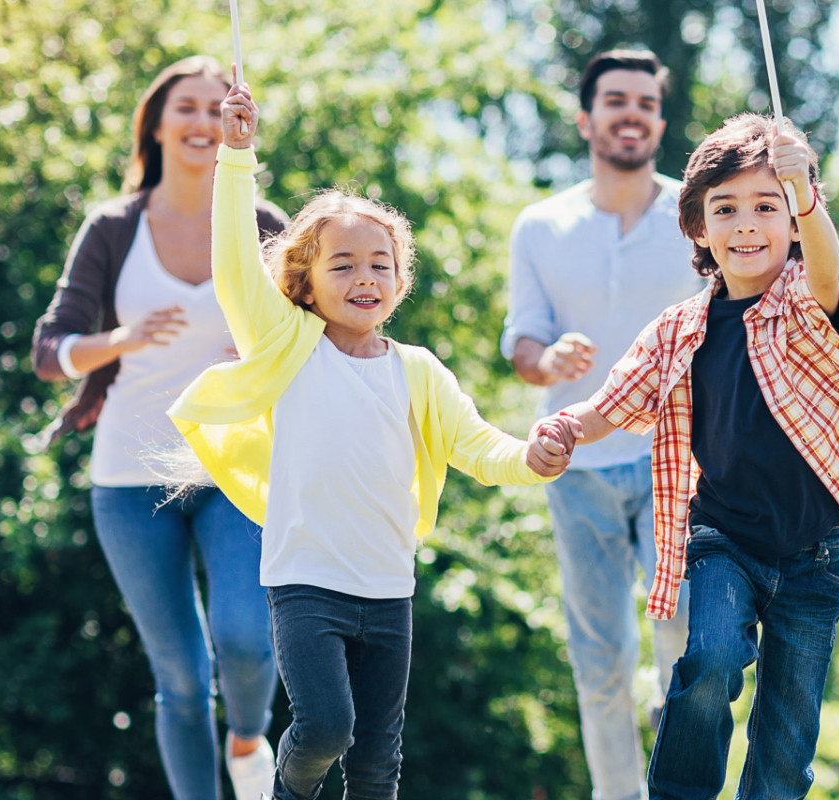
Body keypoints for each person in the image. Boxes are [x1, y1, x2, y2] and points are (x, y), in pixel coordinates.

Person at [170, 72, 573, 800]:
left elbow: (482, 448)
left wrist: (535, 458)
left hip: (389, 588)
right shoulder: (288, 344)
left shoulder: (417, 371)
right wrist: (237, 157)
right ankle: (283, 794)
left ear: (400, 280)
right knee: (324, 729)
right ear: (307, 279)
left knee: (377, 763)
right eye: (343, 264)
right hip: (306, 584)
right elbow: (233, 268)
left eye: (380, 264)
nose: (365, 277)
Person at [536, 114, 839, 800]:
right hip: (723, 538)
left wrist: (807, 197)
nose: (747, 225)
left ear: (792, 220)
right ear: (698, 227)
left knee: (788, 739)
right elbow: (611, 402)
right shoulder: (677, 330)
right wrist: (565, 430)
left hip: (813, 555)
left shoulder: (799, 304)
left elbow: (825, 270)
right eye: (725, 209)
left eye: (768, 207)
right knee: (710, 659)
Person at [29, 54, 287, 800]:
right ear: (158, 123)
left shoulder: (265, 226)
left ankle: (247, 734)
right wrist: (121, 340)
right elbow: (49, 351)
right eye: (188, 108)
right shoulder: (113, 228)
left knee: (243, 637)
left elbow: (317, 335)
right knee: (178, 677)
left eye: (217, 109)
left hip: (232, 471)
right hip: (128, 479)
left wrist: (271, 347)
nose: (203, 123)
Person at [500, 49, 703, 800]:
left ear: (658, 119)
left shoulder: (698, 216)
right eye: (616, 100)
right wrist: (546, 359)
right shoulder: (540, 225)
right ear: (586, 118)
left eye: (646, 103)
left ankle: (680, 772)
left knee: (686, 640)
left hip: (674, 460)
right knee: (601, 659)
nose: (632, 113)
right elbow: (520, 342)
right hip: (575, 464)